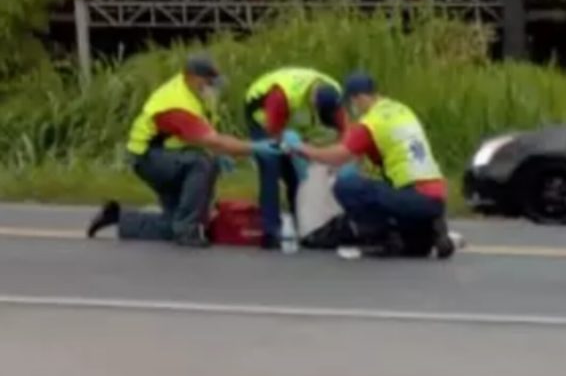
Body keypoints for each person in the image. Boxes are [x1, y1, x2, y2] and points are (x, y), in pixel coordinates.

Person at [87, 54, 280, 247]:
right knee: (202, 163)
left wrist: (222, 153)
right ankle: (187, 232)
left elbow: (207, 135)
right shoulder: (176, 105)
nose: (212, 87)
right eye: (209, 81)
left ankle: (118, 217)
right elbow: (213, 141)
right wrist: (255, 147)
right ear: (192, 77)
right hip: (150, 159)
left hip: (169, 157)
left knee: (172, 225)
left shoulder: (195, 94)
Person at [290, 72, 458, 259]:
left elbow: (339, 156)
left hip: (413, 195)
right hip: (436, 196)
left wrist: (305, 150)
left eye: (351, 103)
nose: (352, 109)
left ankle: (379, 237)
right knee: (414, 247)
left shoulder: (371, 123)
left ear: (359, 98)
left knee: (348, 186)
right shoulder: (401, 109)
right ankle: (431, 230)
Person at [243, 67, 343, 247]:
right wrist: (295, 150)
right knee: (271, 163)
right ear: (313, 101)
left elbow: (346, 133)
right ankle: (271, 230)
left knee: (299, 175)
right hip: (262, 113)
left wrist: (335, 157)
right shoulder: (281, 97)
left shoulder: (335, 93)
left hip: (293, 120)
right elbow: (274, 131)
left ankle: (306, 226)